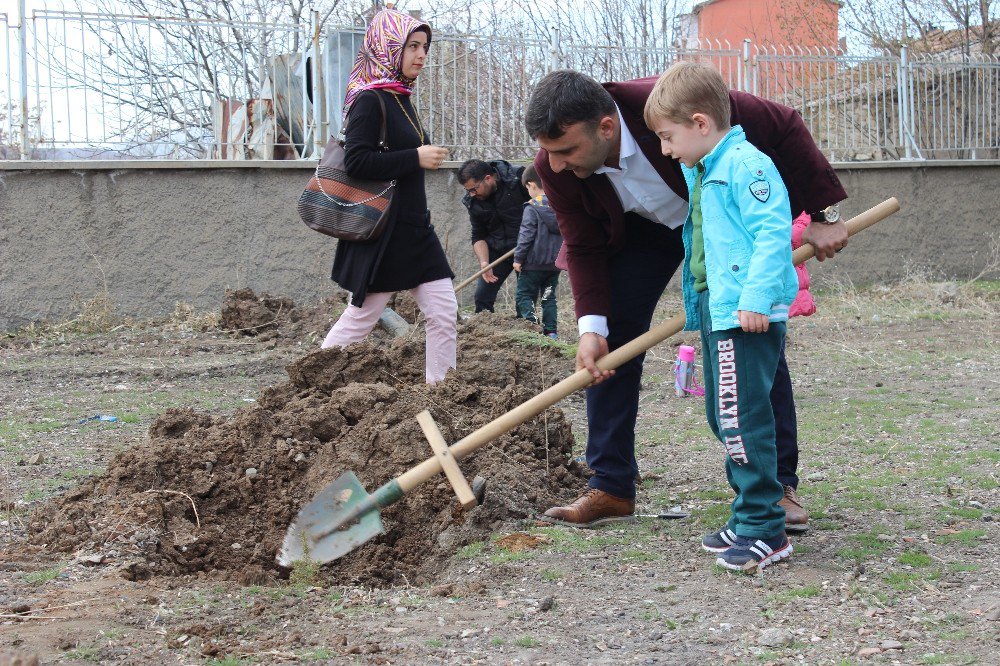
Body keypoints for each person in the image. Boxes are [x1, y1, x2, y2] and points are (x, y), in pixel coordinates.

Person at [525, 69, 848, 529]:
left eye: (566, 151)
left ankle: (775, 486)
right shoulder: (553, 167)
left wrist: (823, 212)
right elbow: (582, 245)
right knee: (612, 340)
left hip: (717, 220)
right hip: (640, 234)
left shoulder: (668, 103)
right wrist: (590, 328)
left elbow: (782, 124)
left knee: (748, 329)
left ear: (607, 127)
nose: (554, 165)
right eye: (549, 152)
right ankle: (611, 485)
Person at [644, 61, 798, 571]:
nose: (665, 150)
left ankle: (765, 528)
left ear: (700, 123)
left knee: (742, 416)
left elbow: (773, 235)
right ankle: (747, 512)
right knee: (723, 414)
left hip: (745, 313)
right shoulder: (708, 167)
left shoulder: (746, 166)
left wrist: (755, 298)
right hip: (722, 308)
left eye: (668, 137)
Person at [320, 9, 457, 384]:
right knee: (361, 318)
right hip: (384, 232)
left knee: (444, 311)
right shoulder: (370, 100)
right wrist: (415, 156)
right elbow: (358, 161)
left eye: (425, 47)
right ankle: (313, 383)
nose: (421, 55)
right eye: (412, 46)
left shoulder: (401, 98)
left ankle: (442, 393)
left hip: (415, 229)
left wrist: (420, 156)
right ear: (388, 46)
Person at [457, 159, 530, 313]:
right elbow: (478, 235)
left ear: (488, 178)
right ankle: (484, 333)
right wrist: (484, 263)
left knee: (524, 299)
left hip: (525, 249)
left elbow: (542, 204)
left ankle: (526, 330)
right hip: (498, 250)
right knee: (482, 298)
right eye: (468, 190)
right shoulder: (474, 201)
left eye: (474, 189)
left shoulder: (518, 179)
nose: (471, 194)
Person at [512, 164, 563, 339]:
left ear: (532, 185)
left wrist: (518, 258)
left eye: (527, 188)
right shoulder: (560, 206)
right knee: (548, 298)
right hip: (553, 265)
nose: (528, 192)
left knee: (524, 295)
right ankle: (551, 332)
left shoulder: (532, 207)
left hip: (532, 264)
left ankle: (532, 328)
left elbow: (526, 235)